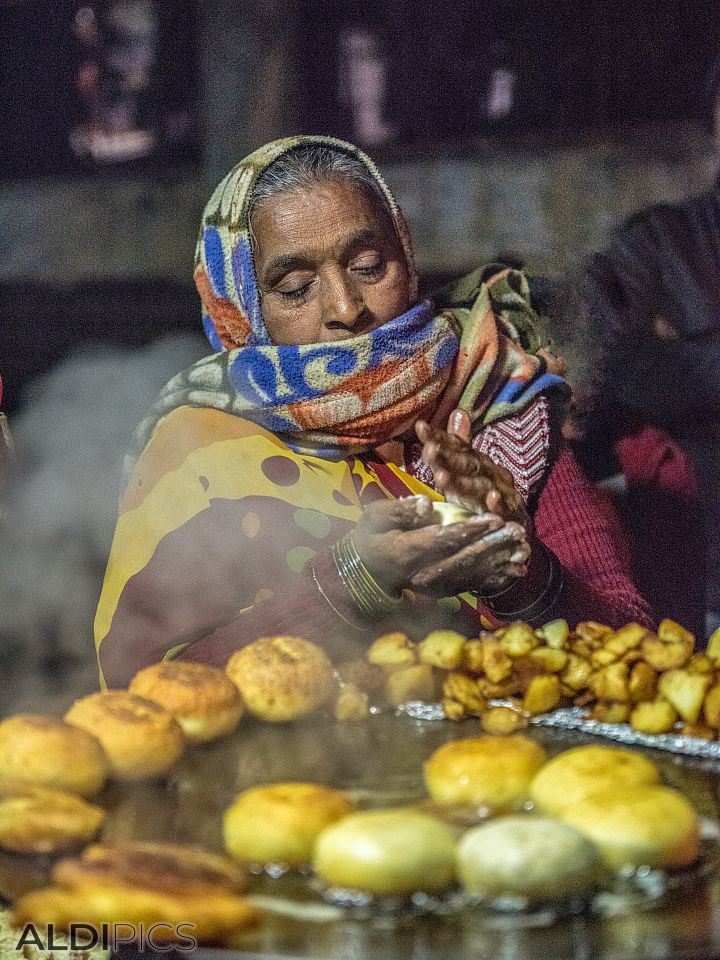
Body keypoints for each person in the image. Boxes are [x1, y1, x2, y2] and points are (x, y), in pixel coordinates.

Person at [95, 136, 651, 688]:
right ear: (241, 307)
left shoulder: (497, 400)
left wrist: (518, 571)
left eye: (367, 265)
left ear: (406, 260)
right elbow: (145, 694)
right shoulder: (202, 448)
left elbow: (630, 652)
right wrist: (354, 578)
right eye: (295, 287)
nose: (345, 308)